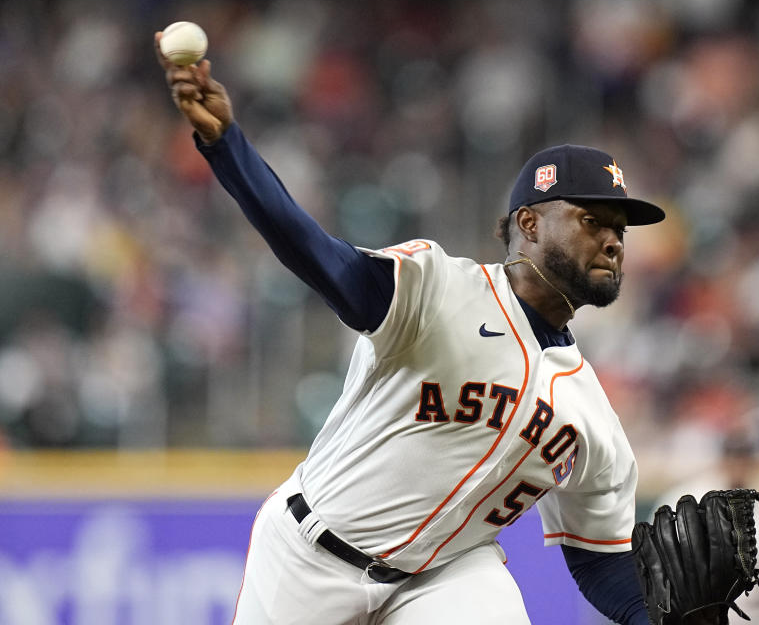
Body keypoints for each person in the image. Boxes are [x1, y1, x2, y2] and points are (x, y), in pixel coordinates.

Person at [156, 32, 665, 625]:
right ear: (528, 223)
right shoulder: (437, 289)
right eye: (590, 219)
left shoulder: (593, 419)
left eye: (620, 230)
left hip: (445, 576)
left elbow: (601, 560)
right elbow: (316, 254)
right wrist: (228, 147)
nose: (611, 239)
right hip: (309, 556)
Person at [651, 433, 759, 625]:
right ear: (722, 460)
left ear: (755, 460)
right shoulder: (685, 499)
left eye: (743, 455)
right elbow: (655, 577)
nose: (738, 463)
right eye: (732, 455)